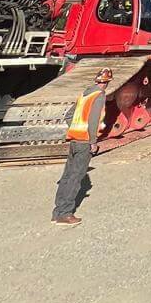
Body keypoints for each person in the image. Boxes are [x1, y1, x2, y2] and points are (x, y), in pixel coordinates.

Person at [52, 66, 113, 225]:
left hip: (74, 140)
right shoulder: (99, 96)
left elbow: (69, 115)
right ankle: (65, 214)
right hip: (84, 142)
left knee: (67, 176)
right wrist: (93, 142)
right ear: (106, 83)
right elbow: (93, 120)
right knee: (75, 178)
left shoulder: (85, 94)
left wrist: (75, 129)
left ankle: (57, 211)